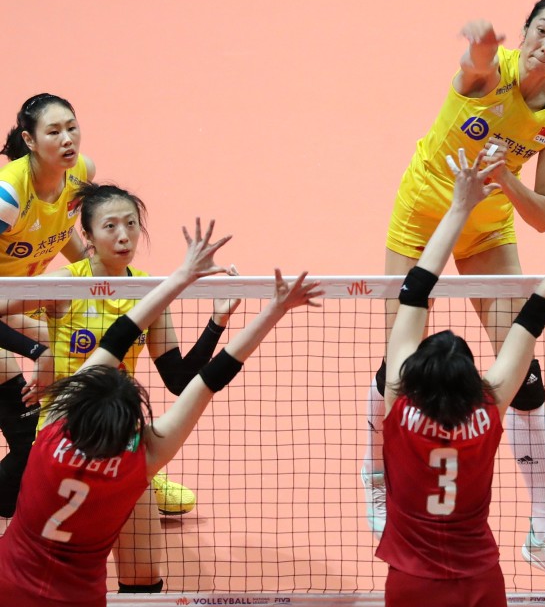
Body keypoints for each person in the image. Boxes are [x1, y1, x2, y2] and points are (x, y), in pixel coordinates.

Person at [363, 0, 545, 591]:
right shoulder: (489, 73)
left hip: (489, 224)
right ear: (523, 32)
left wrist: (506, 180)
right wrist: (479, 46)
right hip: (424, 214)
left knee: (524, 375)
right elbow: (472, 66)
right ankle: (378, 478)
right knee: (401, 364)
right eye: (540, 32)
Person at [0, 218, 323, 607]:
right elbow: (209, 381)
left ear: (75, 400)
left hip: (8, 588)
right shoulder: (140, 461)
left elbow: (117, 337)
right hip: (78, 600)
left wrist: (181, 277)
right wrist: (275, 310)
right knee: (142, 572)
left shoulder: (52, 430)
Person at [377, 147, 545, 606]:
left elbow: (416, 289)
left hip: (410, 582)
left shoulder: (398, 407)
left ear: (413, 378)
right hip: (480, 582)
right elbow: (538, 307)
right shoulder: (488, 410)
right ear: (473, 382)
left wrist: (459, 206)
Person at [0, 183, 241, 593]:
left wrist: (217, 322)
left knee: (144, 575)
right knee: (53, 571)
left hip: (120, 436)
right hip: (62, 435)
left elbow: (179, 380)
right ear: (88, 236)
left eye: (130, 224)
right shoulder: (65, 284)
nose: (124, 236)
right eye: (110, 226)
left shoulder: (149, 290)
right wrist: (39, 350)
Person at [0, 93, 96, 517]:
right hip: (5, 307)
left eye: (71, 127)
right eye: (54, 132)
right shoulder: (8, 198)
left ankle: (122, 457)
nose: (67, 139)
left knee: (94, 339)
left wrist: (101, 279)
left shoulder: (81, 173)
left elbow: (62, 228)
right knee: (27, 441)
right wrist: (39, 348)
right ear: (30, 140)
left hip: (21, 301)